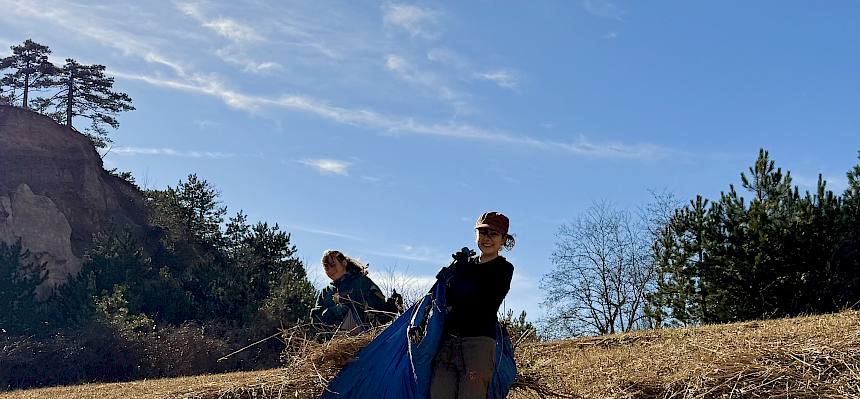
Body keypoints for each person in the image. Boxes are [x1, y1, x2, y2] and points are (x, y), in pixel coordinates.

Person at [430, 211, 516, 399]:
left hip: (478, 344)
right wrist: (448, 278)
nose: (487, 238)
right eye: (483, 232)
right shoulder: (465, 266)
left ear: (503, 240)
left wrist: (460, 277)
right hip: (448, 342)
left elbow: (483, 299)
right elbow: (447, 300)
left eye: (493, 234)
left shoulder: (503, 269)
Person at [310, 250, 390, 335]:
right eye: (326, 267)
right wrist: (335, 311)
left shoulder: (361, 282)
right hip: (335, 343)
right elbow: (316, 321)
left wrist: (392, 306)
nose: (330, 269)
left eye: (333, 264)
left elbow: (380, 311)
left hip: (365, 338)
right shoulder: (326, 293)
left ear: (344, 263)